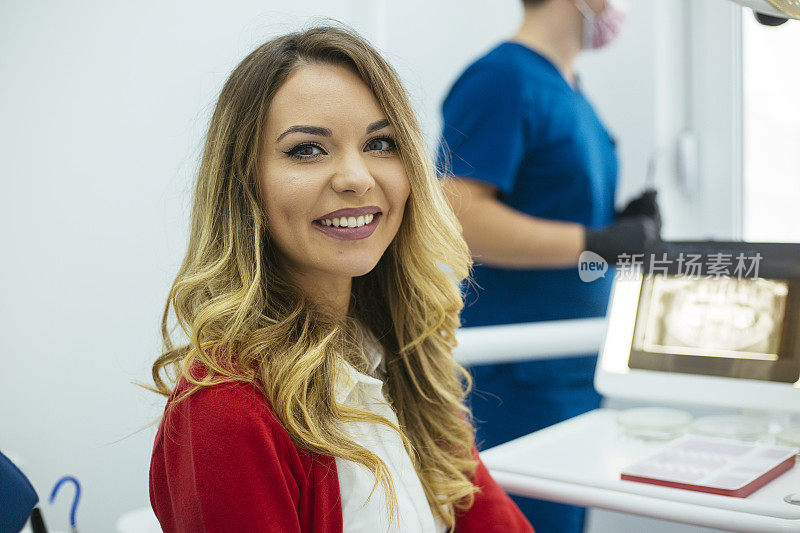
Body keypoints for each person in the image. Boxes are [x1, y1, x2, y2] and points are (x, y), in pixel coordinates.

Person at [147, 26, 534, 533]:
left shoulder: (399, 356)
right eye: (308, 150)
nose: (357, 177)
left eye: (381, 143)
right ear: (244, 184)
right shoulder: (224, 412)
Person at [437, 1, 661, 532]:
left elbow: (553, 206)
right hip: (518, 377)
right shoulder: (503, 78)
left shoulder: (570, 88)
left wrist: (618, 224)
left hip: (573, 368)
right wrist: (596, 239)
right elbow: (459, 215)